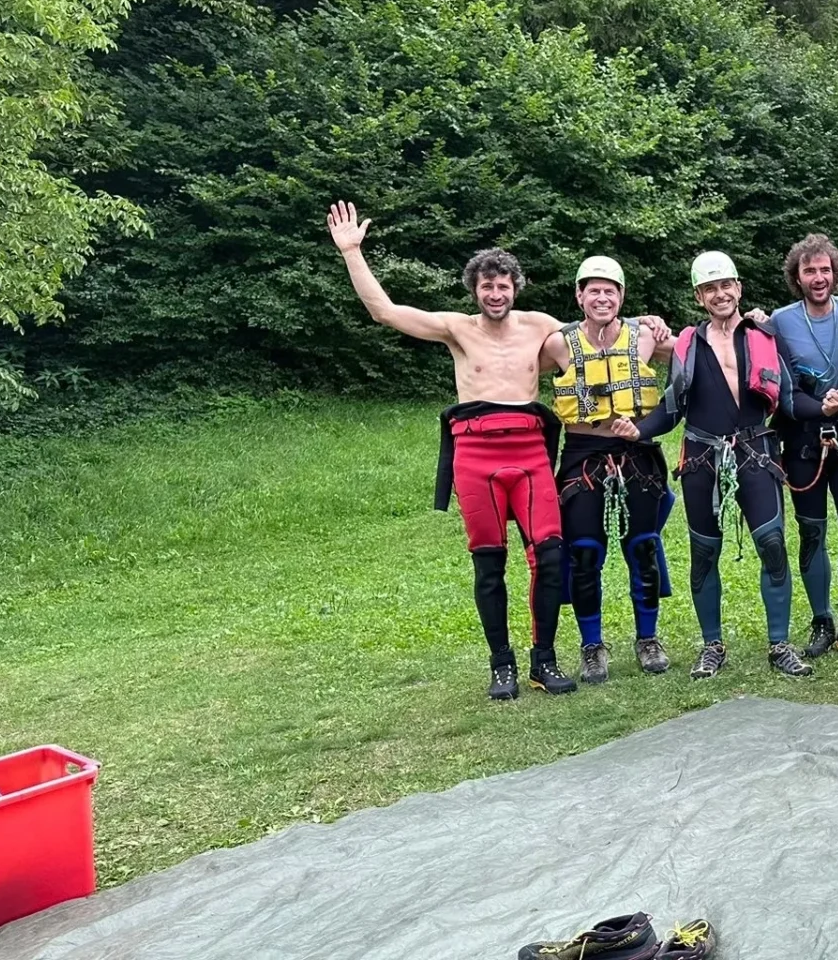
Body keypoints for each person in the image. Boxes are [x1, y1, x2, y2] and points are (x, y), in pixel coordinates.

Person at [327, 201, 574, 700]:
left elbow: (596, 345)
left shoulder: (541, 326)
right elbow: (385, 312)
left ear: (515, 287)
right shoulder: (458, 329)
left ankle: (543, 660)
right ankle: (500, 665)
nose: (496, 292)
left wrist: (653, 330)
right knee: (489, 563)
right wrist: (352, 252)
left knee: (549, 557)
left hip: (530, 456)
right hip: (476, 459)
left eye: (503, 284)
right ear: (475, 290)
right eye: (487, 285)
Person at [615, 252, 812, 678]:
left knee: (773, 546)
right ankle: (712, 645)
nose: (720, 294)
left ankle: (779, 643)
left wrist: (829, 409)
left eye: (726, 285)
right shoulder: (687, 343)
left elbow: (791, 399)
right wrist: (640, 430)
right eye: (710, 288)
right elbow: (671, 408)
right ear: (699, 296)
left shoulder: (763, 335)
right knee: (705, 554)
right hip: (703, 457)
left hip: (756, 452)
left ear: (738, 288)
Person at [542, 255, 677, 681]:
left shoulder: (645, 339)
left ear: (621, 296)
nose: (602, 297)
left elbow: (707, 345)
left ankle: (648, 638)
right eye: (593, 290)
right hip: (584, 454)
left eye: (610, 290)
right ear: (579, 296)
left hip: (636, 453)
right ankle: (592, 645)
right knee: (585, 552)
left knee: (643, 546)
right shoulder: (558, 344)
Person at [769, 235, 838, 658]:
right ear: (797, 277)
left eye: (825, 270)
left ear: (836, 272)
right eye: (809, 271)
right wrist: (820, 407)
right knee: (811, 533)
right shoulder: (779, 321)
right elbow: (781, 390)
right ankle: (821, 621)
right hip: (803, 441)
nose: (818, 278)